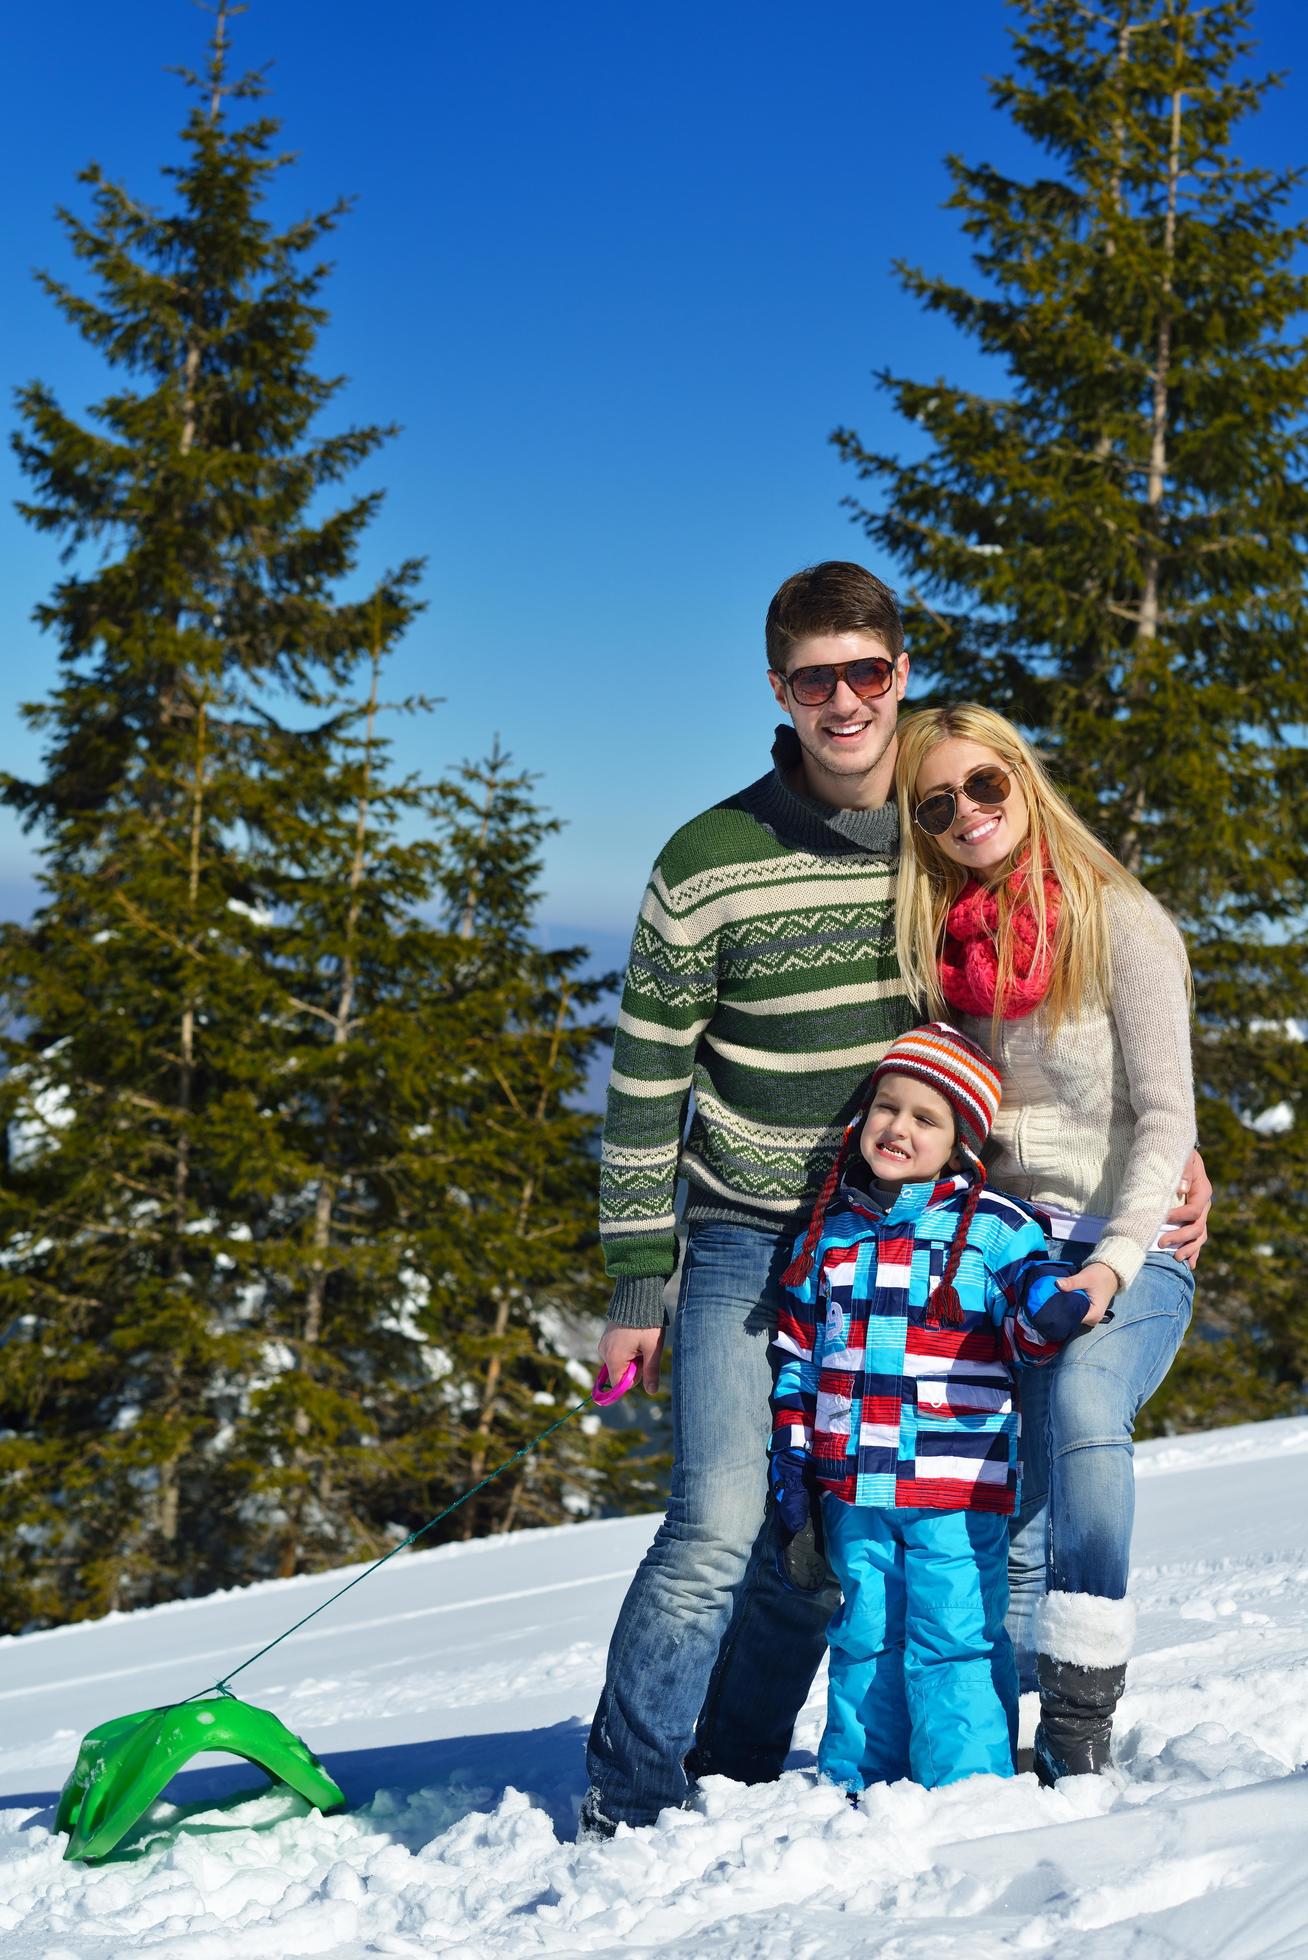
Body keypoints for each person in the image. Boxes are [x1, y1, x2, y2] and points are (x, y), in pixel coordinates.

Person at [581, 564, 1209, 1837]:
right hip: (750, 1234)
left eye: (866, 672)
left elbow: (1078, 1066)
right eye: (816, 679)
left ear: (899, 672)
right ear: (780, 690)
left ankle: (773, 1760)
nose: (844, 699)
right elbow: (646, 1079)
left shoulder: (935, 866)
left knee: (885, 1519)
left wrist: (1171, 1173)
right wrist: (636, 1284)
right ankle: (636, 1792)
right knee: (720, 1525)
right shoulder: (714, 859)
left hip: (917, 1246)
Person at [893, 703, 1198, 1785]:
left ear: (1022, 780)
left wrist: (1115, 1261)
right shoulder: (944, 949)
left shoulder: (1118, 920)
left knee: (1079, 1406)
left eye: (984, 786)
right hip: (1007, 1259)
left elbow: (1167, 1117)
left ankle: (1080, 1711)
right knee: (1001, 1496)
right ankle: (1001, 1728)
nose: (966, 813)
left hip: (1133, 1248)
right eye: (937, 803)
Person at [770, 1023, 1096, 1790]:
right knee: (865, 1634)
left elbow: (1024, 1324)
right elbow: (796, 1352)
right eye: (888, 1107)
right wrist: (792, 1453)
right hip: (851, 1486)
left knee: (954, 1636)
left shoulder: (995, 1229)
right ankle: (860, 1785)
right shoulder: (830, 1234)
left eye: (926, 1118)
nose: (898, 1128)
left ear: (960, 1143)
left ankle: (966, 1791)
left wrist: (1046, 1309)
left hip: (955, 1486)